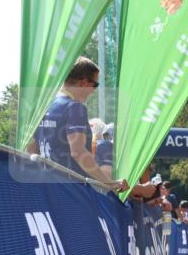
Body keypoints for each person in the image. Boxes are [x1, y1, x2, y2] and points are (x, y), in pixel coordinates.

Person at [25, 57, 127, 191]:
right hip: (73, 190)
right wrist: (109, 183)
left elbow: (31, 149)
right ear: (84, 83)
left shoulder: (42, 106)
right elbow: (78, 152)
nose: (93, 91)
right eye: (95, 85)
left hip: (48, 187)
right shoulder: (75, 107)